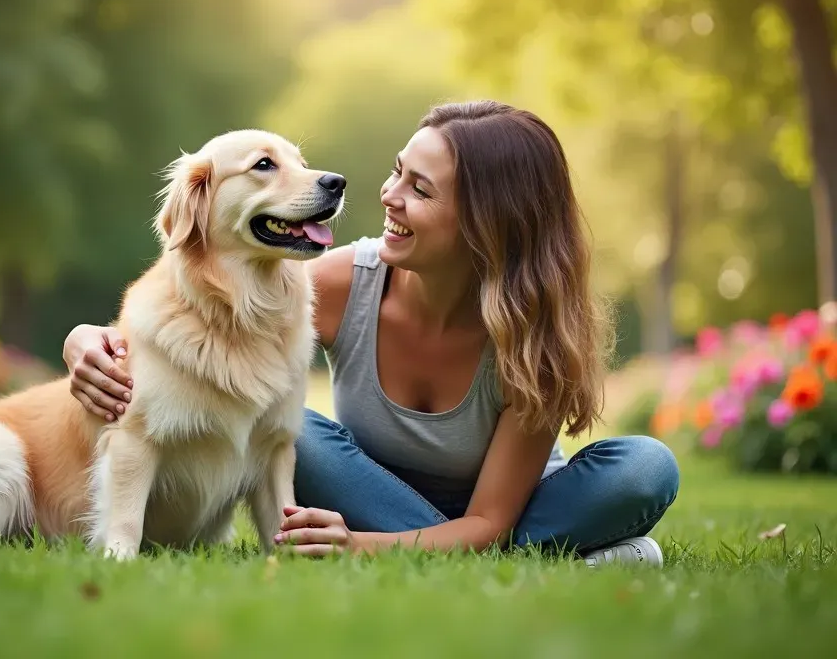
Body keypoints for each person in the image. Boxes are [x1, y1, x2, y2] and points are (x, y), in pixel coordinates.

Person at [63, 100, 680, 566]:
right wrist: (84, 340)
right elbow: (185, 302)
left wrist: (360, 545)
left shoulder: (529, 334)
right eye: (396, 172)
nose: (388, 196)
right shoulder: (336, 283)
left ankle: (477, 550)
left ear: (486, 225)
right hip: (367, 489)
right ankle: (558, 557)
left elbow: (491, 518)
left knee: (644, 467)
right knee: (298, 435)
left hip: (511, 510)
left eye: (420, 189)